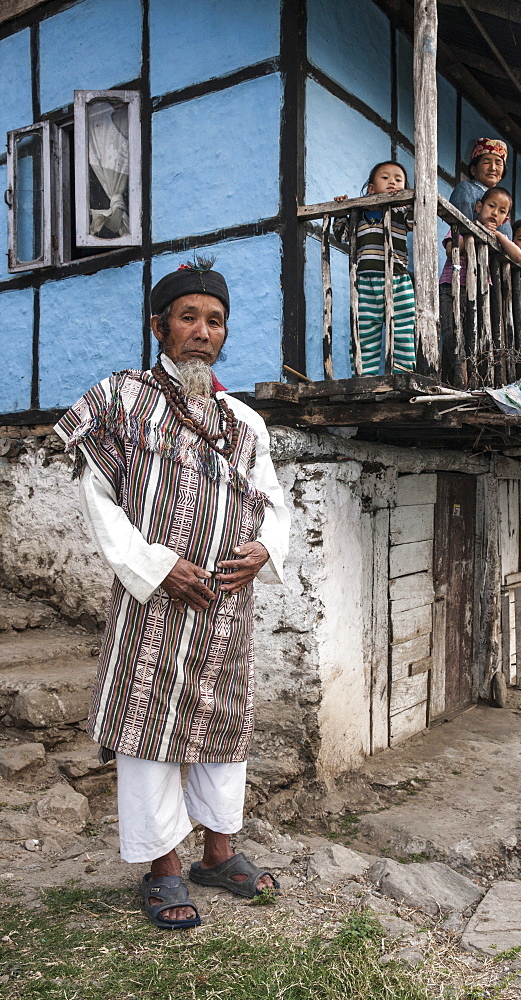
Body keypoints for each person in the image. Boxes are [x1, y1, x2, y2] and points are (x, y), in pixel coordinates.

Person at [53, 256, 290, 930]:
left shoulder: (246, 423)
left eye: (214, 320)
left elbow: (275, 501)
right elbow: (98, 500)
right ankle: (163, 867)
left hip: (225, 606)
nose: (202, 331)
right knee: (148, 728)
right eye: (188, 317)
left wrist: (266, 549)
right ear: (159, 325)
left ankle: (218, 853)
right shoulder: (120, 400)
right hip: (154, 601)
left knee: (222, 727)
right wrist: (157, 566)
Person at [333, 161, 416, 376]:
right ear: (371, 189)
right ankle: (363, 378)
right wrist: (342, 211)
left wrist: (411, 199)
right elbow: (342, 236)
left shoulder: (400, 213)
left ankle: (403, 376)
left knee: (403, 332)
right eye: (385, 178)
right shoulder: (358, 218)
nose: (392, 182)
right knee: (364, 334)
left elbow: (415, 221)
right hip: (365, 283)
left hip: (397, 280)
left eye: (398, 180)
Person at [439, 186, 521, 381]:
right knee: (452, 332)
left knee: (473, 337)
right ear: (478, 206)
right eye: (491, 206)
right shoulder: (464, 227)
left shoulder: (497, 238)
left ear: (505, 220)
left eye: (502, 211)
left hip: (479, 294)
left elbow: (518, 257)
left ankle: (469, 378)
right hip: (453, 287)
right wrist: (476, 232)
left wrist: (501, 236)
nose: (495, 213)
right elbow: (451, 250)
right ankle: (461, 377)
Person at [449, 138, 513, 238]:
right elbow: (462, 228)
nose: (493, 168)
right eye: (487, 162)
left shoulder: (504, 201)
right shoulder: (466, 189)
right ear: (474, 169)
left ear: (501, 175)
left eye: (498, 163)